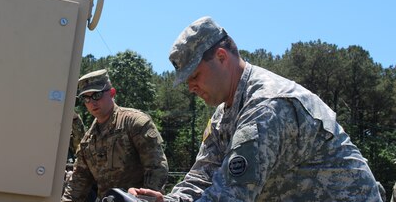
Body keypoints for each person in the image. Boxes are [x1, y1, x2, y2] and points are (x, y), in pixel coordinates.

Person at [129, 16, 383, 201]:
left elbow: (231, 195)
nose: (191, 87)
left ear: (221, 57)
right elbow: (204, 175)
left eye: (195, 76)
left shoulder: (267, 105)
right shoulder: (223, 115)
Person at [62, 69, 169, 202]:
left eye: (97, 95)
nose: (92, 102)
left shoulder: (134, 123)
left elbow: (156, 167)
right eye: (86, 98)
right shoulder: (87, 143)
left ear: (112, 93)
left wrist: (144, 199)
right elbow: (77, 185)